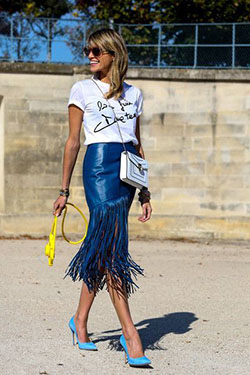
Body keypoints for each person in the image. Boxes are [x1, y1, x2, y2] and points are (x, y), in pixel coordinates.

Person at [53, 28, 152, 367]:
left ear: (114, 54)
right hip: (98, 169)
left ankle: (79, 320)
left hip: (126, 173)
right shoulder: (81, 89)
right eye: (88, 50)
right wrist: (63, 190)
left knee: (103, 249)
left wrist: (144, 190)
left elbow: (137, 143)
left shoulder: (135, 94)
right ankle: (130, 333)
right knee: (114, 251)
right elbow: (72, 142)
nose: (90, 55)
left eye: (97, 50)